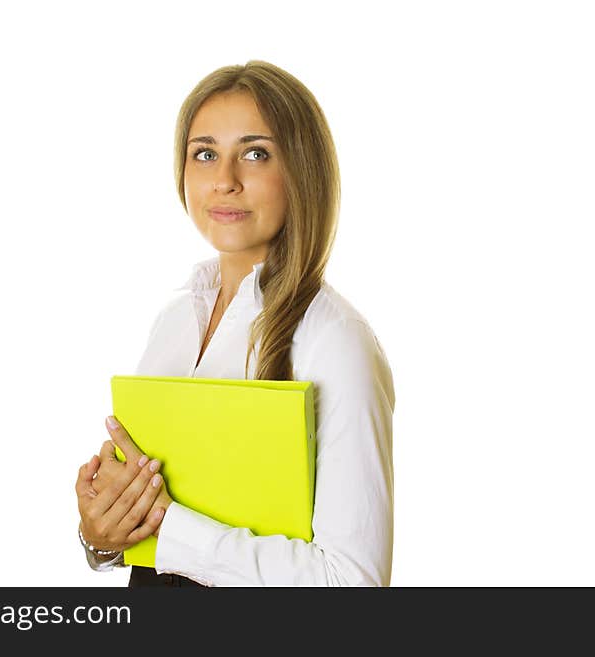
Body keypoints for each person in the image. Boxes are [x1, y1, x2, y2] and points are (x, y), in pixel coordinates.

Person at [75, 60, 395, 586]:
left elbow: (350, 583)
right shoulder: (176, 318)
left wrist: (168, 525)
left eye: (255, 153)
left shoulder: (335, 339)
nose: (224, 181)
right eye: (205, 154)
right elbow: (141, 541)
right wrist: (103, 534)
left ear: (302, 170)